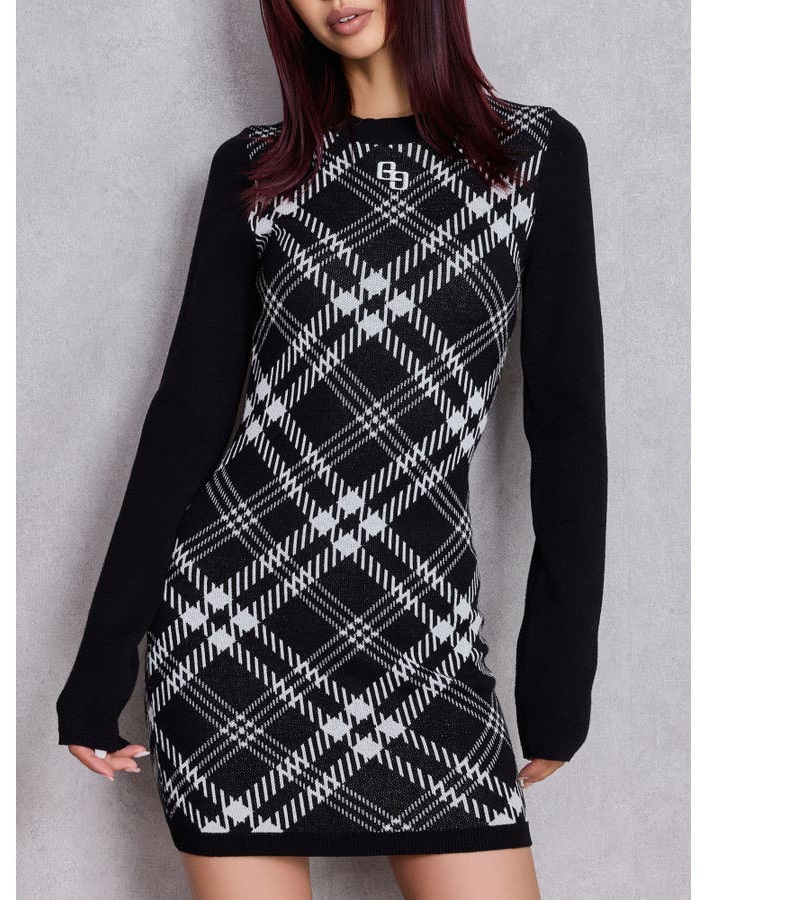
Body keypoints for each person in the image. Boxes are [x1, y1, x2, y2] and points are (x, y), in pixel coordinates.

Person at [55, 1, 607, 897]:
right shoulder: (259, 169)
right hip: (232, 637)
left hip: (424, 637)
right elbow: (186, 419)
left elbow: (570, 426)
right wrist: (99, 667)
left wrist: (558, 679)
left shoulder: (531, 156)